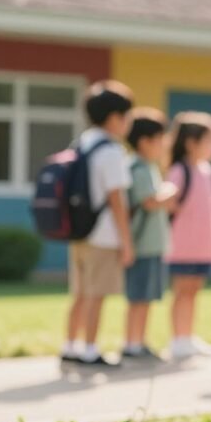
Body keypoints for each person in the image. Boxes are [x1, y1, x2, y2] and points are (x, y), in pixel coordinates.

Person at [61, 80, 134, 368]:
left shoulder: (82, 143)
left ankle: (70, 345)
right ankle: (90, 349)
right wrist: (127, 242)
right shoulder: (112, 150)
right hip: (103, 235)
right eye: (127, 116)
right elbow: (117, 200)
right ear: (115, 117)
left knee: (79, 294)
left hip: (78, 231)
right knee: (96, 295)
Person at [164, 111, 211, 360]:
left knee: (194, 291)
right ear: (191, 143)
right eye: (209, 140)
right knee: (181, 291)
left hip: (203, 244)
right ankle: (178, 339)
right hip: (182, 244)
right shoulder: (179, 170)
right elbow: (170, 199)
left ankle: (188, 336)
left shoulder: (208, 171)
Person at [122, 107, 177, 362]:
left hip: (152, 244)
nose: (164, 144)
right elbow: (149, 201)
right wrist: (169, 191)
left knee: (147, 298)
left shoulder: (149, 167)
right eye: (160, 138)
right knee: (138, 297)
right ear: (144, 141)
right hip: (141, 244)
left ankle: (140, 341)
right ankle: (131, 343)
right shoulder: (138, 168)